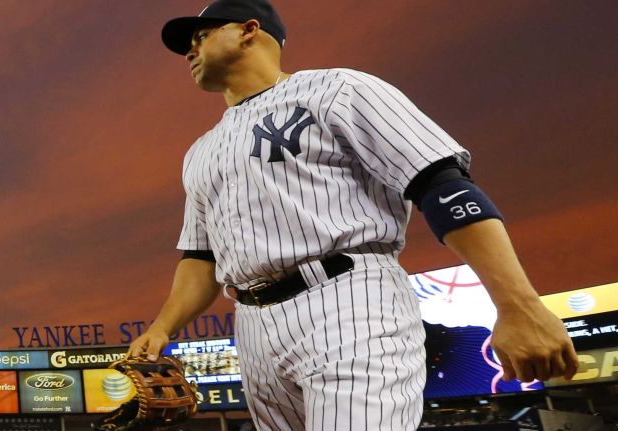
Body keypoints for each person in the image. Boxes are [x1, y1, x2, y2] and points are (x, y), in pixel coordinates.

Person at [127, 0, 579, 430]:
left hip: (348, 301)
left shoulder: (338, 89)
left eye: (202, 36)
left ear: (249, 31)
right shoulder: (200, 152)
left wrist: (518, 305)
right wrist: (162, 328)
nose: (190, 50)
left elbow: (441, 186)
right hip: (252, 324)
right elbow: (200, 259)